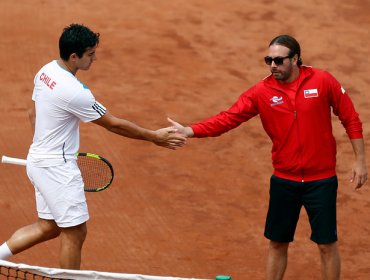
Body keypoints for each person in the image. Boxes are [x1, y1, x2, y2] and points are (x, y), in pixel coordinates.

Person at [168, 35, 368, 280]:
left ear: (295, 59)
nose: (273, 65)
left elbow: (350, 118)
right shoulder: (262, 91)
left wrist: (360, 161)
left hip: (321, 181)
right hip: (285, 180)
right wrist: (189, 130)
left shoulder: (323, 81)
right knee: (277, 243)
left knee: (326, 245)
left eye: (279, 60)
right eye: (268, 60)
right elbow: (228, 118)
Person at [0, 23, 186, 270]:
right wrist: (154, 136)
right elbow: (113, 124)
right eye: (90, 54)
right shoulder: (75, 92)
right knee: (75, 233)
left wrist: (43, 150)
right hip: (57, 169)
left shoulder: (45, 71)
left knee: (49, 226)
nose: (94, 58)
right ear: (74, 56)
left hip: (38, 159)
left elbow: (32, 113)